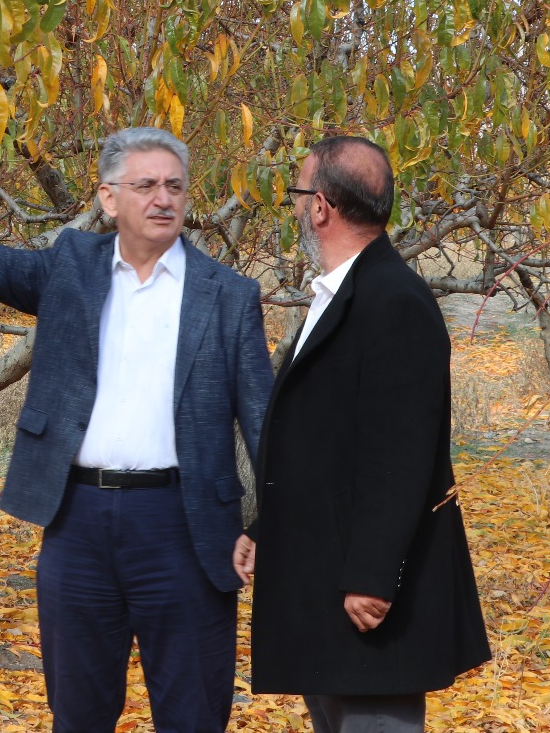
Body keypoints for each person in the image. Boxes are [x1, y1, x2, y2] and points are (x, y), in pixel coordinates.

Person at [0, 98, 273, 733]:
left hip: (186, 527)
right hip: (78, 523)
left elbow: (265, 423)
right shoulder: (71, 267)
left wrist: (269, 525)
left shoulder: (227, 294)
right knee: (79, 715)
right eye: (145, 185)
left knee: (195, 714)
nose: (163, 198)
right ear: (109, 199)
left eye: (174, 186)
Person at [236, 136, 490, 732]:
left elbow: (401, 451)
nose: (296, 208)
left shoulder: (394, 300)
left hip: (366, 595)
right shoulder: (347, 292)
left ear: (320, 207)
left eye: (297, 196)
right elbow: (326, 440)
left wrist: (375, 577)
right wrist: (263, 528)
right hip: (325, 573)